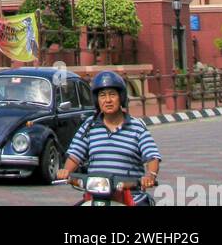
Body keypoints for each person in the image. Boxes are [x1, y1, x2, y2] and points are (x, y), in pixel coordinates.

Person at [57, 70, 161, 202]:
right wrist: (65, 171)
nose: (108, 100)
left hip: (130, 197)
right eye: (102, 95)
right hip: (95, 196)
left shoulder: (137, 127)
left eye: (112, 95)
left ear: (121, 97)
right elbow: (75, 155)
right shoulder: (89, 126)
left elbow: (152, 156)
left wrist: (150, 176)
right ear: (97, 100)